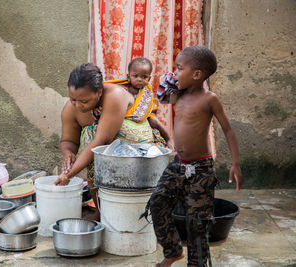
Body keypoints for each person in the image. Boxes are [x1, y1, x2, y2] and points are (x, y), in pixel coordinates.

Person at [148, 46, 242, 267]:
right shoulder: (178, 93)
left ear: (197, 74)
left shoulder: (210, 99)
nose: (175, 72)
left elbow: (228, 129)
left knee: (197, 222)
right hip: (178, 164)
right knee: (157, 203)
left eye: (180, 68)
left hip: (201, 169)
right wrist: (172, 82)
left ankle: (196, 264)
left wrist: (235, 163)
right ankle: (172, 251)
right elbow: (162, 97)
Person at [55, 63, 135, 220]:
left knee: (94, 137)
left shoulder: (114, 95)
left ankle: (124, 214)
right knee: (91, 140)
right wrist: (67, 153)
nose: (78, 105)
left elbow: (103, 140)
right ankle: (101, 212)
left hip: (131, 154)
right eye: (73, 99)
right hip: (100, 152)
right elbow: (68, 140)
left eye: (84, 101)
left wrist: (69, 174)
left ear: (99, 92)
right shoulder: (71, 108)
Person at [104, 57, 173, 149]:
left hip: (143, 116)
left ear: (149, 78)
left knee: (154, 121)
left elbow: (149, 107)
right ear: (128, 77)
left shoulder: (147, 91)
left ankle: (169, 138)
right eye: (135, 76)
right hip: (122, 115)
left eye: (144, 77)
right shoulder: (123, 89)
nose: (139, 79)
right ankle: (107, 142)